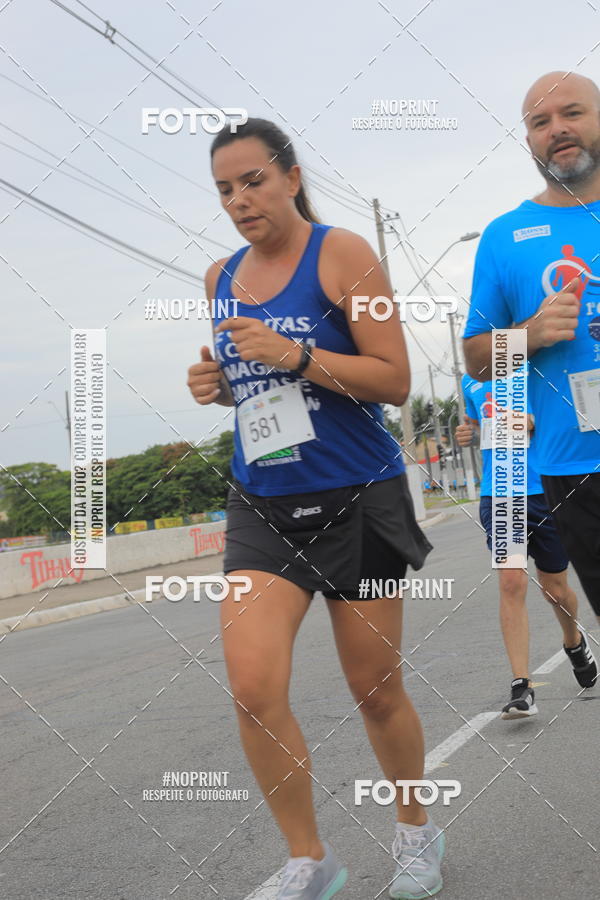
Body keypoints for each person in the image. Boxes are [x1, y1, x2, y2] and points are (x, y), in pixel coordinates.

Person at [186, 118, 443, 899]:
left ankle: (414, 831)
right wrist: (221, 386)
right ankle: (310, 858)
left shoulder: (341, 254)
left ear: (291, 178)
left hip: (357, 495)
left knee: (375, 689)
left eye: (254, 181)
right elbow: (253, 384)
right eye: (225, 189)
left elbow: (393, 378)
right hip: (263, 503)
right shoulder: (218, 277)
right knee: (253, 685)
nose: (240, 200)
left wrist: (294, 352)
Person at [463, 71, 600, 631]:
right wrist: (530, 334)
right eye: (540, 122)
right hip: (571, 470)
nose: (557, 129)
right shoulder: (504, 235)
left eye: (572, 113)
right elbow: (475, 359)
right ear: (528, 141)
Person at [456, 373, 597, 718]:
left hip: (548, 487)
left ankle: (573, 641)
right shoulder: (471, 379)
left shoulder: (541, 368)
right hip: (500, 491)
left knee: (555, 590)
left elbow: (576, 414)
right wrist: (469, 434)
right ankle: (522, 686)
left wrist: (532, 421)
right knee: (511, 580)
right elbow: (477, 426)